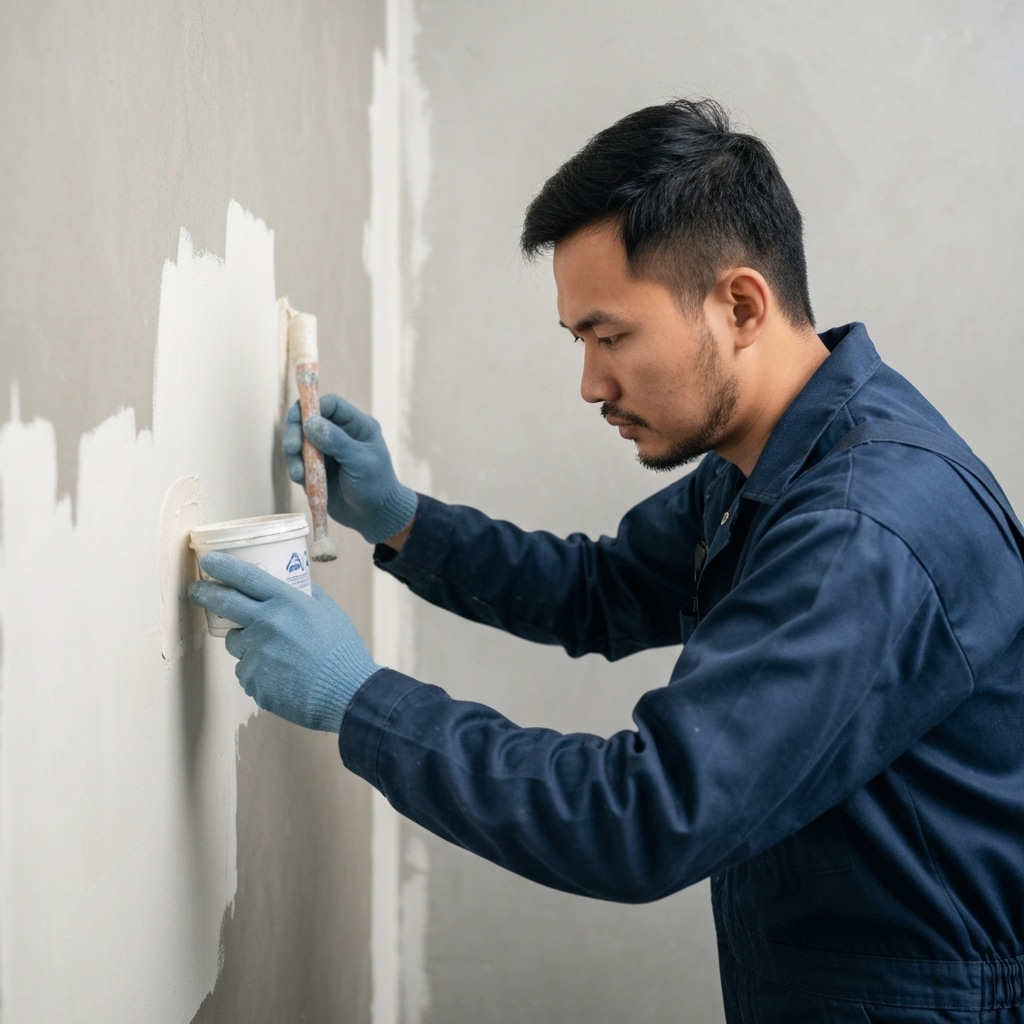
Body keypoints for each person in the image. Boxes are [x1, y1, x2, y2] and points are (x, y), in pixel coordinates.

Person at [189, 99, 1024, 1021]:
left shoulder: (863, 528)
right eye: (580, 341)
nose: (591, 383)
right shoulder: (776, 460)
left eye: (611, 335)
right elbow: (600, 588)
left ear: (740, 304)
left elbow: (642, 817)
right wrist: (400, 520)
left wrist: (361, 701)